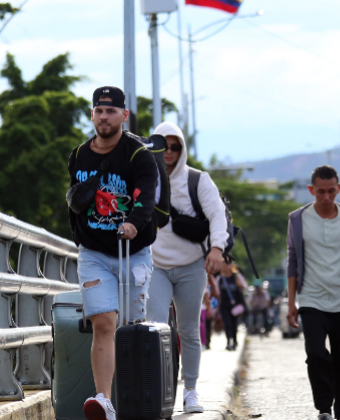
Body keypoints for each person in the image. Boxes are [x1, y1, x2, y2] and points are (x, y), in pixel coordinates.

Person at [67, 87, 158, 420]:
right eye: (98, 111)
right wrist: (79, 237)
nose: (104, 117)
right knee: (104, 323)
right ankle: (103, 400)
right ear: (92, 115)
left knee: (131, 326)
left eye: (111, 111)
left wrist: (134, 222)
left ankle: (136, 396)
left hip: (132, 252)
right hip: (93, 252)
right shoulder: (79, 155)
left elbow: (146, 197)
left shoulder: (138, 155)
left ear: (124, 115)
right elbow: (76, 200)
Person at [144, 121, 228, 413]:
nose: (168, 151)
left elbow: (217, 215)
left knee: (189, 331)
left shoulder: (197, 180)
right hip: (155, 266)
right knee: (155, 329)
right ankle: (159, 389)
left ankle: (190, 391)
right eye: (162, 145)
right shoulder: (145, 178)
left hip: (191, 266)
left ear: (182, 149)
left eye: (175, 146)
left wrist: (216, 248)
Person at [286, 165, 340, 420]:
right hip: (312, 299)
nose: (326, 198)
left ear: (339, 189)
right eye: (320, 192)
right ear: (311, 190)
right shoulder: (297, 219)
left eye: (331, 191)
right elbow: (293, 260)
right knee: (315, 353)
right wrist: (292, 302)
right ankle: (324, 407)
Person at [216, 262, 248, 350]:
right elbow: (217, 292)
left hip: (235, 305)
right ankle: (228, 342)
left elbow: (245, 287)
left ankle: (234, 340)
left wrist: (239, 284)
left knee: (234, 323)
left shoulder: (236, 276)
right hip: (224, 304)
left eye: (226, 264)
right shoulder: (220, 278)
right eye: (223, 265)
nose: (225, 267)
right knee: (227, 323)